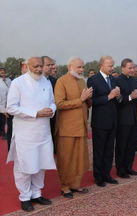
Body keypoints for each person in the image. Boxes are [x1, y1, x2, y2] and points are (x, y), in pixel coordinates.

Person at [6, 57, 56, 212]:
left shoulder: (46, 82)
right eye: (35, 66)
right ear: (27, 66)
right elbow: (11, 108)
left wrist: (51, 110)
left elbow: (53, 102)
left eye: (41, 66)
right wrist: (35, 113)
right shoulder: (18, 83)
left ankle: (36, 193)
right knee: (25, 166)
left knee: (41, 164)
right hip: (25, 134)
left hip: (43, 132)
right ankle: (25, 197)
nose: (39, 69)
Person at [54, 57, 92, 198]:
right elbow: (60, 104)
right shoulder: (61, 81)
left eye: (83, 67)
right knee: (66, 158)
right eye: (79, 67)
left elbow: (86, 103)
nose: (82, 70)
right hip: (67, 128)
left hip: (81, 126)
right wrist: (81, 100)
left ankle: (75, 185)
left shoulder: (82, 81)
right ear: (70, 67)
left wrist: (88, 99)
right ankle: (65, 187)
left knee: (79, 158)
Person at [87, 56, 120, 187]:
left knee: (109, 150)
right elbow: (92, 101)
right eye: (109, 65)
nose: (112, 68)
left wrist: (118, 95)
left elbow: (116, 99)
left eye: (113, 65)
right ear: (101, 65)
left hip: (112, 120)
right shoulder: (93, 79)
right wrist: (108, 97)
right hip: (100, 121)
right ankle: (98, 176)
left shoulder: (113, 79)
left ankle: (107, 174)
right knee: (99, 150)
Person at [115, 58, 137, 178]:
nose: (132, 70)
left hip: (134, 116)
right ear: (123, 68)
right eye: (129, 68)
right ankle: (121, 170)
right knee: (122, 145)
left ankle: (129, 167)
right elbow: (118, 100)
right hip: (122, 118)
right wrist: (130, 97)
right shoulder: (117, 81)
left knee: (131, 144)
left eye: (133, 67)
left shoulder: (135, 80)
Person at [42, 56, 57, 152]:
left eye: (52, 65)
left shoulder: (54, 81)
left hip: (51, 115)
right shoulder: (32, 80)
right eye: (49, 65)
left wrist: (52, 109)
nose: (52, 67)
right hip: (36, 118)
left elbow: (55, 99)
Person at [0, 68, 12, 143]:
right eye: (1, 73)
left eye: (4, 73)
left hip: (9, 104)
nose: (3, 74)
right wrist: (2, 109)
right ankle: (3, 133)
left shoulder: (9, 80)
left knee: (8, 120)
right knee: (2, 120)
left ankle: (7, 133)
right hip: (1, 104)